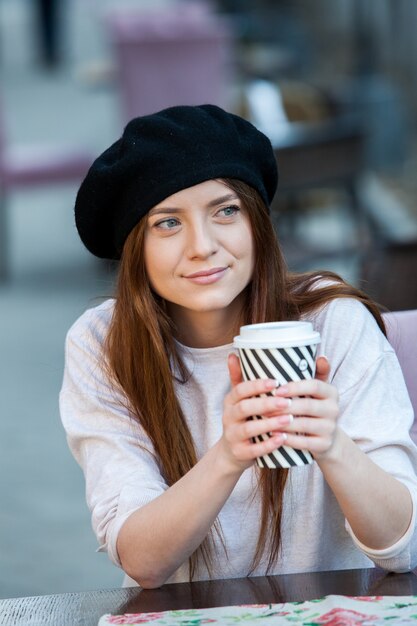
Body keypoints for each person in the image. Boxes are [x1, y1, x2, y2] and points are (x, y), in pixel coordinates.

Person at [60, 104, 417, 590]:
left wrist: (334, 445)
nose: (202, 245)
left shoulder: (332, 323)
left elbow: (402, 545)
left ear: (256, 224)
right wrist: (228, 454)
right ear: (135, 248)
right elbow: (141, 561)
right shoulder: (103, 343)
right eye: (168, 223)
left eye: (226, 211)